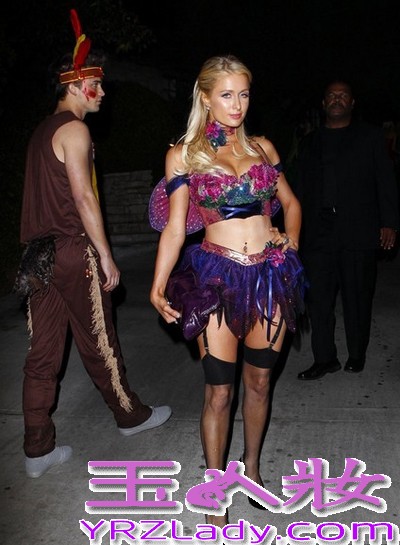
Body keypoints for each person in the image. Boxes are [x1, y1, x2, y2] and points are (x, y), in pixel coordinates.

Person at [148, 55, 305, 526]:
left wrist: (290, 241)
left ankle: (251, 467)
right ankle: (215, 488)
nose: (237, 104)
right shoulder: (184, 155)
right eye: (227, 94)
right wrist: (158, 283)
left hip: (269, 277)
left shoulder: (263, 148)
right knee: (219, 391)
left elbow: (291, 203)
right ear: (205, 98)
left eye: (244, 94)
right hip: (216, 278)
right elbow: (176, 227)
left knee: (259, 382)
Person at [15, 10, 171, 479]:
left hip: (37, 258)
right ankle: (130, 416)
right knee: (100, 341)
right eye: (96, 84)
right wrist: (104, 255)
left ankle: (37, 449)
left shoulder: (41, 131)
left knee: (42, 355)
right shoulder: (75, 129)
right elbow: (83, 198)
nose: (102, 92)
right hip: (69, 250)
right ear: (75, 84)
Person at [293, 80, 399, 380]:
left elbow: (385, 180)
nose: (337, 99)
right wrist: (292, 230)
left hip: (358, 230)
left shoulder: (370, 137)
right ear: (324, 103)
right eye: (331, 95)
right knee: (318, 300)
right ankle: (324, 358)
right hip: (318, 233)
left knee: (358, 296)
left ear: (352, 103)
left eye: (343, 96)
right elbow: (298, 189)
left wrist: (389, 222)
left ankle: (356, 353)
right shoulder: (310, 142)